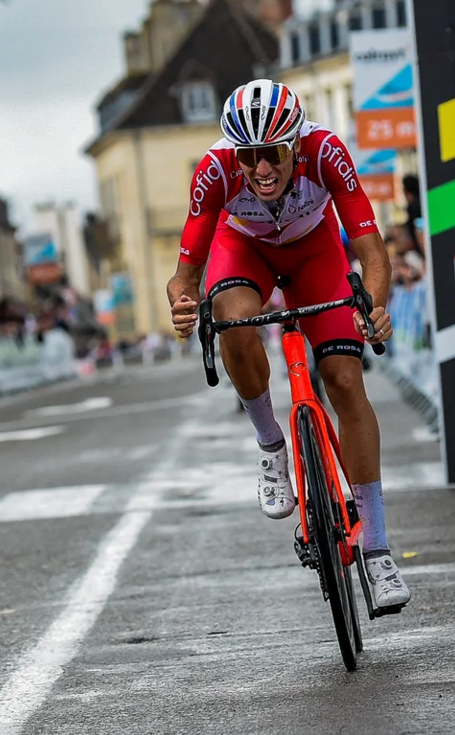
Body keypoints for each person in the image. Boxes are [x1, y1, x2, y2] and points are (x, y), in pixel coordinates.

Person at [164, 79, 411, 612]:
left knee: (345, 380)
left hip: (314, 252)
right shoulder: (214, 171)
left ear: (294, 145)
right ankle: (273, 446)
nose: (261, 170)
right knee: (231, 320)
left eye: (272, 155)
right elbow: (185, 275)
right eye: (249, 157)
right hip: (244, 250)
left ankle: (376, 548)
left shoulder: (326, 151)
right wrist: (183, 305)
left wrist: (377, 305)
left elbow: (370, 249)